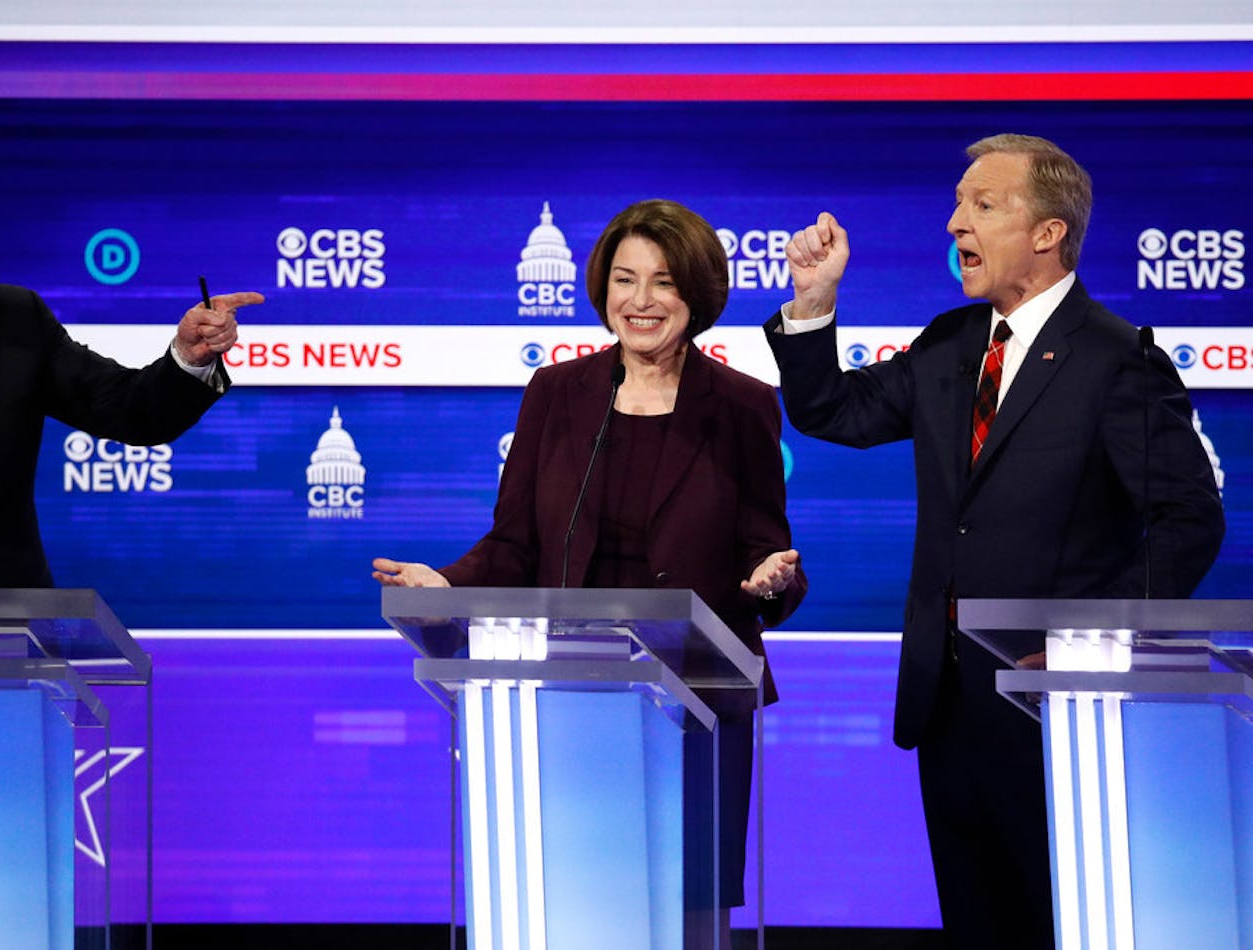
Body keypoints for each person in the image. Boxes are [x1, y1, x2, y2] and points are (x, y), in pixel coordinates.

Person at [765, 134, 1224, 948]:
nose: (954, 224)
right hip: (947, 706)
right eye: (956, 204)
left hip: (1060, 711)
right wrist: (810, 305)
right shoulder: (950, 344)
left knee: (1061, 924)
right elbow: (835, 411)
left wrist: (1091, 642)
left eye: (982, 204)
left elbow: (1191, 521)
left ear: (1048, 233)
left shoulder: (1119, 360)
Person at [0, 143, 263, 938]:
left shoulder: (16, 321)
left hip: (11, 663)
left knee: (15, 885)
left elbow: (129, 409)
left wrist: (186, 359)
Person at [375, 198, 806, 941]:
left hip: (698, 701)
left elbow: (767, 551)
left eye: (663, 282)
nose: (640, 302)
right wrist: (448, 584)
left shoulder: (741, 406)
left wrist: (774, 577)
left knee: (689, 913)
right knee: (573, 904)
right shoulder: (558, 395)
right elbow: (513, 546)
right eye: (624, 279)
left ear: (696, 294)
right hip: (570, 692)